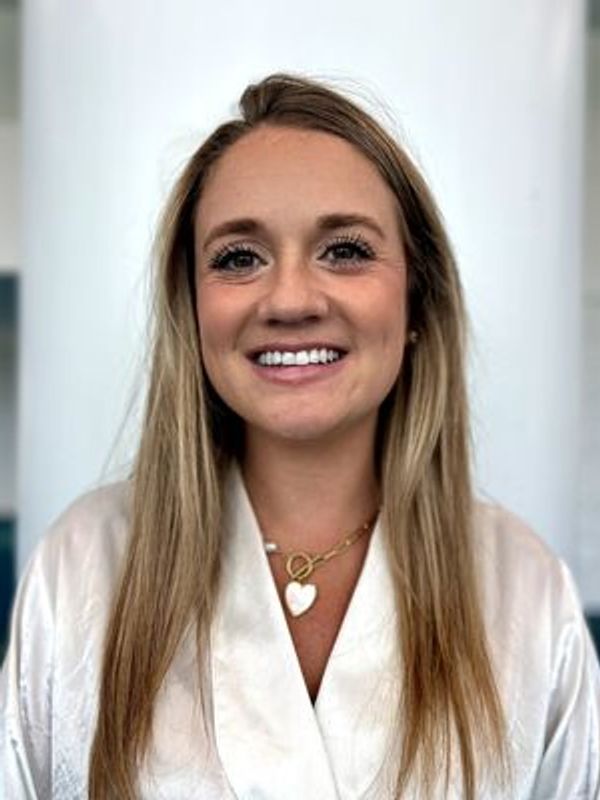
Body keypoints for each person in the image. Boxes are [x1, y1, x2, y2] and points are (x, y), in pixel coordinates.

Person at [1, 73, 599, 800]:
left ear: (417, 300)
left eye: (344, 250)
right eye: (238, 258)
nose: (289, 300)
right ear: (192, 307)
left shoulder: (525, 594)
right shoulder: (82, 568)